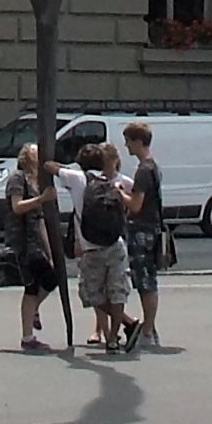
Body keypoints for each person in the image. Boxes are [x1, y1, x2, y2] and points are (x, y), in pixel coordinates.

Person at [74, 142, 140, 353]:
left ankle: (120, 329)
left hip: (93, 245)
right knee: (116, 290)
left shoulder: (81, 180)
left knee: (92, 292)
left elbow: (54, 168)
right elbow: (137, 205)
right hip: (115, 242)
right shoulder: (117, 185)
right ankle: (113, 335)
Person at [3, 142, 58, 352]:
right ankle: (28, 332)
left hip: (35, 239)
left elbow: (41, 218)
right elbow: (17, 207)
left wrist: (49, 249)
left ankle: (30, 324)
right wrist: (41, 199)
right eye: (36, 154)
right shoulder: (18, 178)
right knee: (36, 283)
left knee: (44, 281)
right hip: (23, 240)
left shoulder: (36, 181)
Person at [121, 120, 166, 350]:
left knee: (145, 281)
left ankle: (147, 330)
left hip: (142, 230)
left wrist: (121, 195)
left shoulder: (143, 170)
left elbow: (136, 205)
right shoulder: (153, 166)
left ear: (138, 142)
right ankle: (150, 328)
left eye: (128, 141)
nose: (126, 147)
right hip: (152, 228)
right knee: (147, 280)